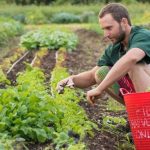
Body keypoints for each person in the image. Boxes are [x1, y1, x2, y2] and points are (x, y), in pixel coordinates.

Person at [57, 3, 150, 106]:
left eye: (109, 28)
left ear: (124, 22)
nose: (106, 34)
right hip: (144, 96)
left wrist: (100, 89)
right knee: (101, 73)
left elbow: (131, 58)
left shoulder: (142, 36)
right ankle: (138, 110)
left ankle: (146, 113)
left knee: (133, 65)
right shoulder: (115, 48)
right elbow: (92, 76)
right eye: (104, 29)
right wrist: (72, 79)